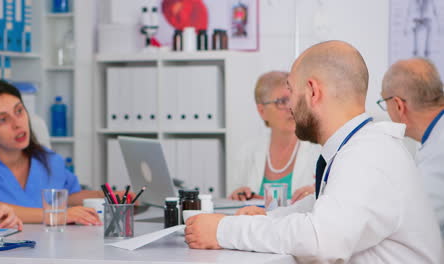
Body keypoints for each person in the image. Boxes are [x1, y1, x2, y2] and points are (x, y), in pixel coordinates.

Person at [184, 41, 442, 263]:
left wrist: (223, 230)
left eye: (291, 93)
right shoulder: (359, 146)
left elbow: (321, 239)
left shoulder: (367, 155)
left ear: (312, 91)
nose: (290, 108)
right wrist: (265, 217)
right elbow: (320, 206)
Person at [0, 80, 134, 225]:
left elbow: (67, 197)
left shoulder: (47, 159)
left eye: (19, 111)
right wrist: (55, 215)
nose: (17, 124)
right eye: (3, 120)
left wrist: (106, 196)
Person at [228, 71, 320, 203]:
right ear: (262, 111)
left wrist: (318, 194)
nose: (291, 107)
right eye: (282, 101)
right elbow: (234, 201)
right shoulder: (246, 152)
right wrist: (237, 196)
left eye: (293, 99)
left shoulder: (319, 150)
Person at [380, 57, 444, 238]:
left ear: (399, 106)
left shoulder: (438, 154)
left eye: (384, 103)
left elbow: (410, 222)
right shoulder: (436, 139)